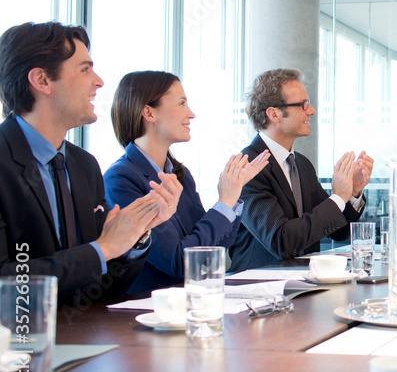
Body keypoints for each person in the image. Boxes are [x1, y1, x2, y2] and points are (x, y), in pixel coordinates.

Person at [0, 22, 180, 306]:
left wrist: (134, 236)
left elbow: (102, 287)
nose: (98, 81)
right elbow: (6, 282)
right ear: (42, 80)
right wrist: (103, 248)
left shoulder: (84, 166)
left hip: (87, 339)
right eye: (85, 69)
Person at [104, 71, 270, 293]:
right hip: (146, 312)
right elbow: (181, 263)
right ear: (148, 113)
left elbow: (214, 249)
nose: (190, 114)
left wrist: (229, 202)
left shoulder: (181, 175)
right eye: (182, 103)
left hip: (192, 301)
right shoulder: (121, 179)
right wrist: (224, 202)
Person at [229, 68, 374, 271]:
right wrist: (338, 197)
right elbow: (282, 242)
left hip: (304, 285)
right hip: (259, 291)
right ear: (274, 114)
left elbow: (338, 231)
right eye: (302, 104)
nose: (311, 110)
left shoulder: (302, 165)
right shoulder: (248, 168)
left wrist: (353, 193)